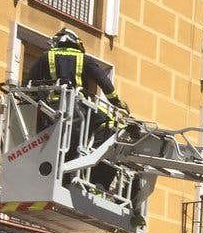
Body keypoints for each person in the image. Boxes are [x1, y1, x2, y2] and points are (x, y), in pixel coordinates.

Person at [23, 28, 130, 191]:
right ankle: (97, 174)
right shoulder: (84, 59)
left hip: (52, 111)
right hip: (79, 109)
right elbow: (105, 84)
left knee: (64, 149)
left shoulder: (46, 57)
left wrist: (38, 100)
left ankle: (61, 177)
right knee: (109, 121)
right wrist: (118, 103)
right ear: (75, 42)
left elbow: (28, 84)